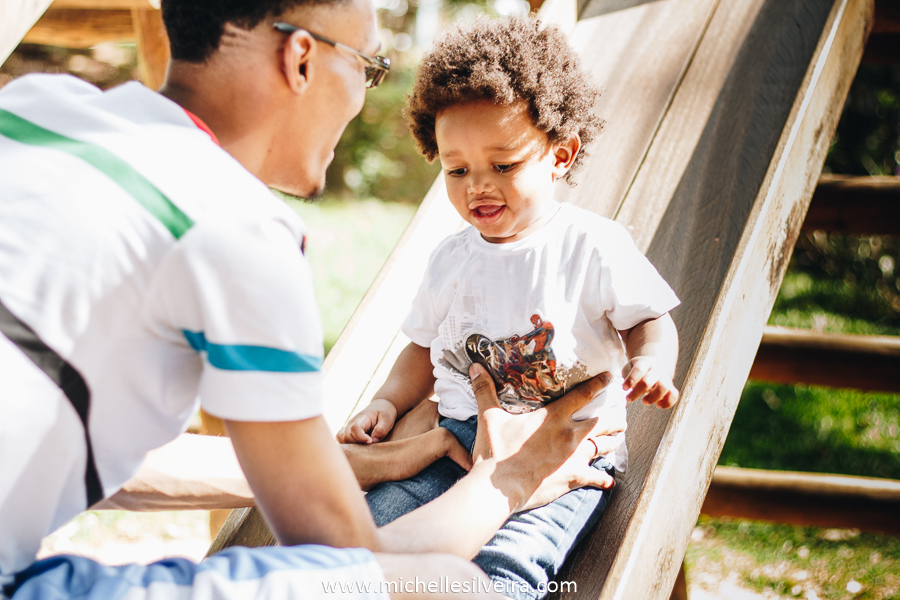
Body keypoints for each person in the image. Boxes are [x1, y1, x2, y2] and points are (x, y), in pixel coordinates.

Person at [0, 1, 626, 598]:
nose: (365, 95)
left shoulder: (32, 109)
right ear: (302, 57)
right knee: (453, 588)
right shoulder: (237, 228)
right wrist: (511, 478)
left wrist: (356, 466)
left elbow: (102, 454)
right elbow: (350, 567)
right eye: (368, 65)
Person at [336, 16, 681, 600]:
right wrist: (387, 403)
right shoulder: (450, 256)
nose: (479, 187)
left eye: (504, 165)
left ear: (560, 155)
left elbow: (651, 320)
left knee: (504, 567)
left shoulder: (591, 244)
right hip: (453, 442)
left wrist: (652, 365)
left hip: (561, 453)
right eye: (458, 170)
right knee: (361, 540)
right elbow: (421, 347)